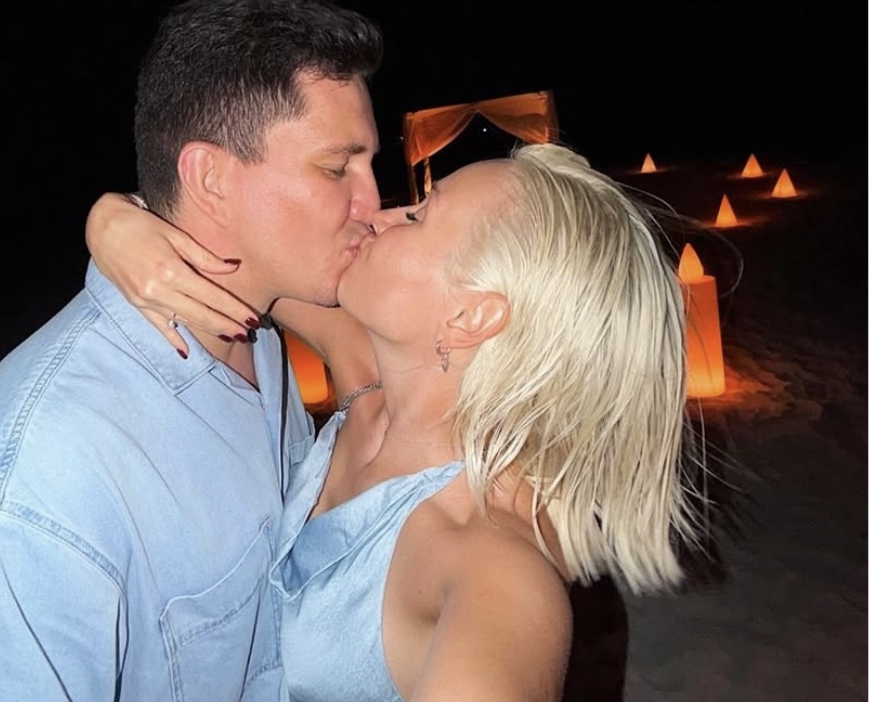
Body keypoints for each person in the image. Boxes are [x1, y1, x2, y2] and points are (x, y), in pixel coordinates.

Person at [0, 0, 385, 701]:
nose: (373, 203)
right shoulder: (31, 492)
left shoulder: (263, 328)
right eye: (338, 168)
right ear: (211, 179)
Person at [90, 143, 703, 700]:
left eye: (418, 216)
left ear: (470, 316)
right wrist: (112, 217)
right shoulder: (367, 383)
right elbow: (229, 256)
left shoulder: (495, 570)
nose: (376, 216)